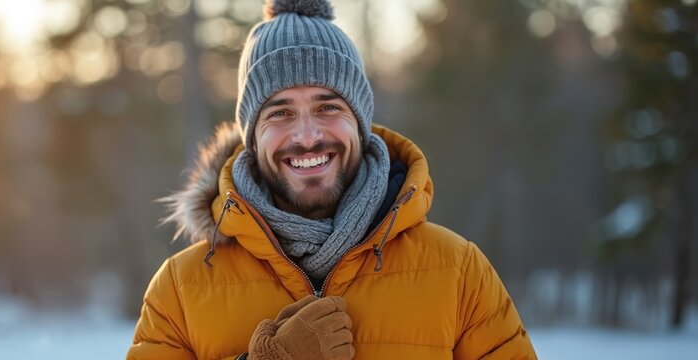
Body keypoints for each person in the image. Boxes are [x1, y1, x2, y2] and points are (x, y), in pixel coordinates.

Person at [127, 0, 537, 358]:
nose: (307, 137)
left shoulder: (458, 272)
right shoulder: (180, 289)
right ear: (252, 137)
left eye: (327, 108)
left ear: (359, 123)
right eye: (280, 113)